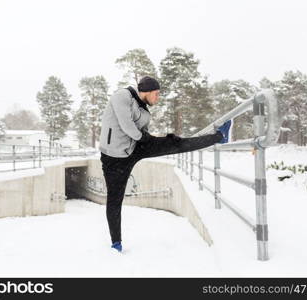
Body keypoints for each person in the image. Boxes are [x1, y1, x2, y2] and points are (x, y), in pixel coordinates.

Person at [99, 76, 231, 252]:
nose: (158, 98)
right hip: (113, 159)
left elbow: (141, 134)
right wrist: (148, 139)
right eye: (156, 94)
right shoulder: (122, 96)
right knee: (115, 200)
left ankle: (219, 137)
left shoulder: (145, 112)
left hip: (134, 147)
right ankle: (116, 243)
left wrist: (165, 140)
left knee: (176, 144)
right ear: (147, 91)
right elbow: (127, 127)